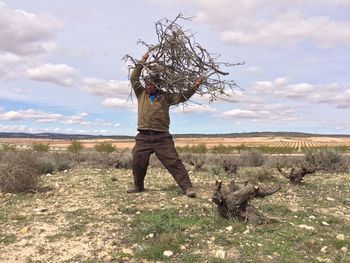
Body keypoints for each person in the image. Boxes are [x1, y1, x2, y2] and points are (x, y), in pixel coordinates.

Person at [127, 52, 203, 198]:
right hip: (143, 136)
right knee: (137, 159)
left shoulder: (165, 96)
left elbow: (182, 96)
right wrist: (142, 62)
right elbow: (134, 78)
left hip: (162, 137)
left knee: (173, 161)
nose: (148, 87)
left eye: (152, 85)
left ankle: (187, 188)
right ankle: (138, 186)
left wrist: (195, 86)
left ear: (158, 85)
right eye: (147, 84)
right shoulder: (141, 93)